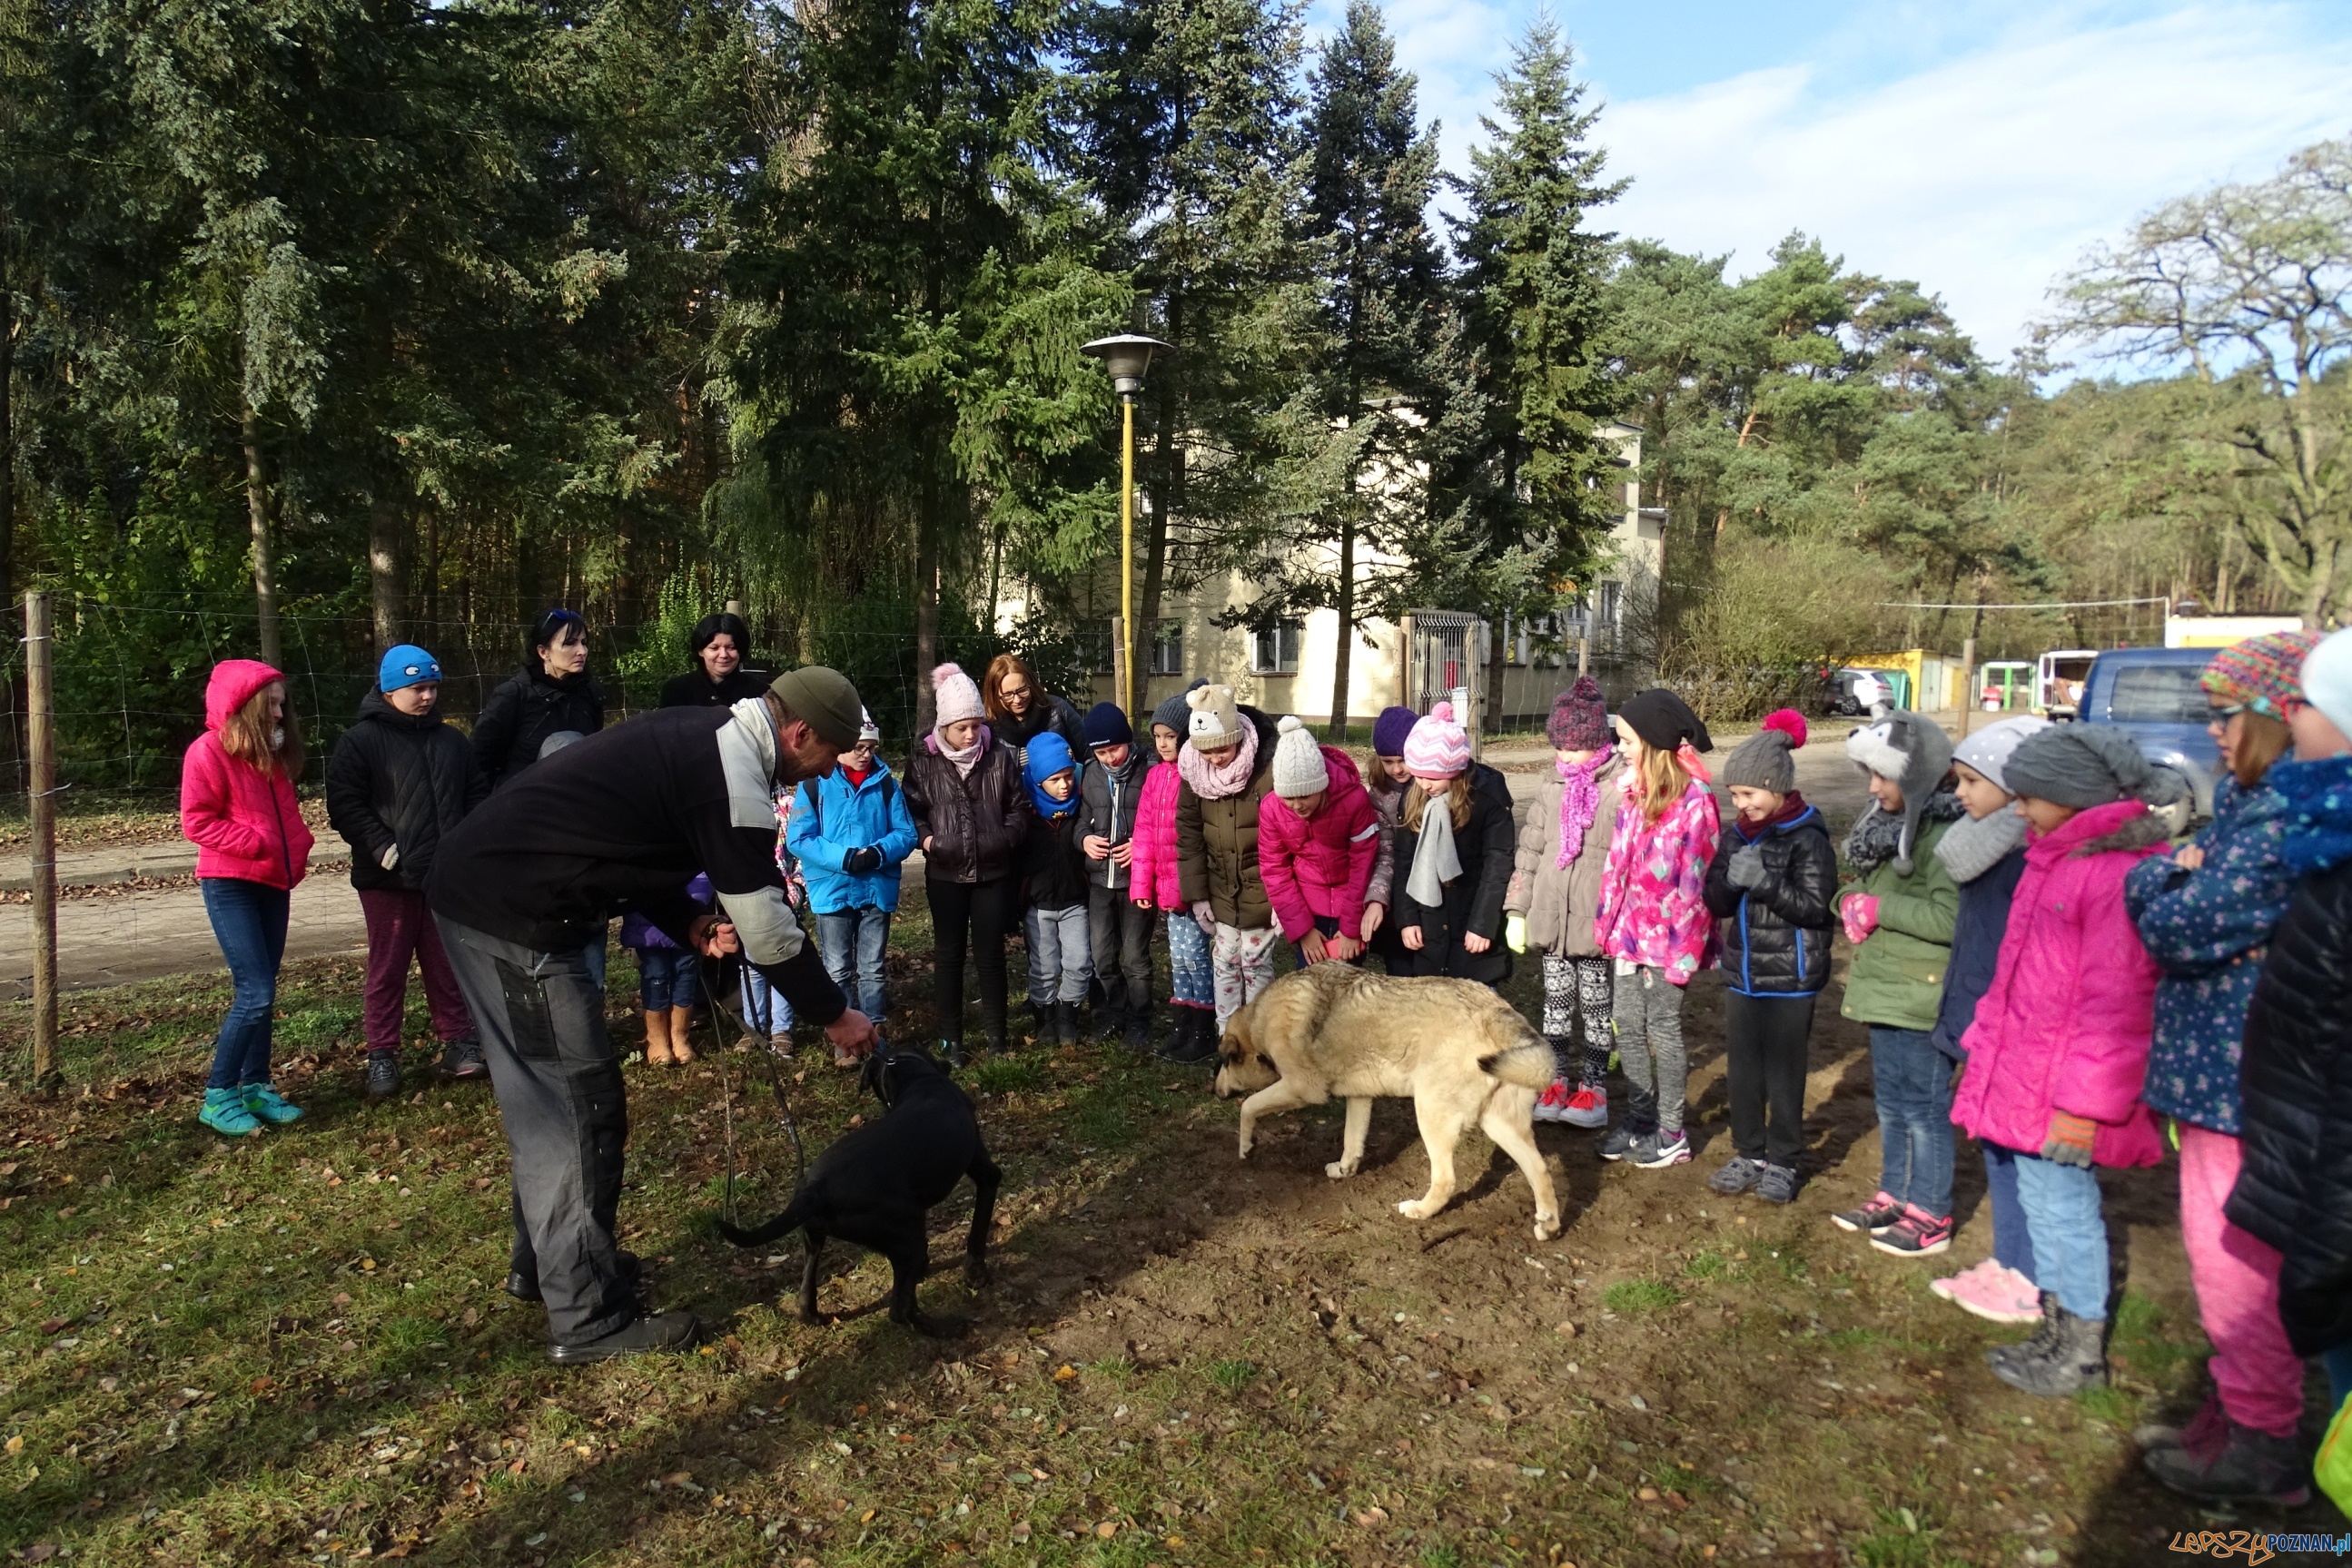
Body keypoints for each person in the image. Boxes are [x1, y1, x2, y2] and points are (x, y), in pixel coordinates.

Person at [426, 666, 878, 1364]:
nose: (819, 777)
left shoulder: (708, 736)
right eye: (827, 757)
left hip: (493, 892)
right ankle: (588, 1317)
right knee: (575, 1105)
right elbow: (767, 929)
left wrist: (689, 922)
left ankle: (547, 1268)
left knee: (560, 1098)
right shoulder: (734, 770)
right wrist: (836, 1015)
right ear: (802, 733)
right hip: (509, 914)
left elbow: (639, 845)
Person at [2122, 632, 2320, 1503]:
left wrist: (2156, 881)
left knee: (2237, 1259)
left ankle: (2263, 1440)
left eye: (2225, 715)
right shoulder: (2254, 806)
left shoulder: (2279, 815)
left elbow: (2183, 922)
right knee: (2228, 1256)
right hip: (2219, 1068)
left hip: (2240, 1076)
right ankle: (2243, 1410)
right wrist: (2176, 872)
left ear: (2277, 717)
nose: (2214, 735)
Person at [1951, 724, 2180, 1397]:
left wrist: (2085, 1108)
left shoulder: (2112, 876)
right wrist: (1983, 1049)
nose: (2018, 808)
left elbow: (2118, 1006)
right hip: (2027, 1075)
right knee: (2046, 1206)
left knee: (2066, 1210)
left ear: (2071, 796)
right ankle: (2053, 1326)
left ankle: (2081, 1347)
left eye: (2030, 797)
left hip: (2064, 1094)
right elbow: (2015, 976)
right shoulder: (2054, 859)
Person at [2219, 629, 2352, 1499]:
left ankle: (2267, 1433)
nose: (2292, 715)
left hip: (2326, 1182)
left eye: (2308, 702)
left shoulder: (2313, 848)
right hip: (2307, 1158)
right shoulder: (2319, 839)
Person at [1923, 715, 2051, 1325]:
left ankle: (2030, 1275)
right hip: (1977, 1007)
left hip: (2010, 1021)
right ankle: (2008, 1260)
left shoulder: (2024, 856)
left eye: (1972, 781)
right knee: (1996, 1145)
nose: (1960, 794)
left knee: (2023, 1151)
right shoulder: (1980, 846)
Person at [325, 643, 489, 1103]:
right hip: (388, 880)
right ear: (391, 689)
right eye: (418, 687)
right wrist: (381, 848)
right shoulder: (360, 741)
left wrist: (466, 848)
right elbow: (345, 802)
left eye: (434, 687)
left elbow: (474, 796)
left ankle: (458, 1043)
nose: (428, 697)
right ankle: (382, 1055)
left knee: (446, 964)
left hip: (442, 878)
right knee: (388, 968)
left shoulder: (452, 742)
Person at [1830, 711, 1963, 1256]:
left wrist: (1880, 907)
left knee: (1926, 1107)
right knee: (1891, 1101)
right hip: (1886, 990)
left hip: (1922, 995)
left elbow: (1950, 919)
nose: (1872, 787)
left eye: (1882, 776)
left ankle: (1931, 1212)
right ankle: (1895, 1192)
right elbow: (1857, 888)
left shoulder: (1945, 838)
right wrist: (1849, 903)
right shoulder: (1885, 829)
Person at [1701, 710, 1835, 1203]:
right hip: (1745, 974)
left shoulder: (1808, 837)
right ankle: (1748, 1152)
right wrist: (1730, 881)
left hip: (1791, 979)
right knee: (1743, 1070)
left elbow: (1815, 909)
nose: (1741, 805)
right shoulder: (1738, 834)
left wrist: (1765, 882)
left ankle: (1783, 1160)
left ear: (1776, 787)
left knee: (1783, 1074)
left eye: (1749, 795)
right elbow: (1714, 902)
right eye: (1734, 796)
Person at [182, 660, 316, 1137]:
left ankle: (255, 1086)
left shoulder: (271, 758)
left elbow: (284, 818)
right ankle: (218, 1096)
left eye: (283, 704)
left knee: (267, 989)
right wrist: (257, 844)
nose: (280, 714)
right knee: (254, 991)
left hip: (271, 884)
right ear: (246, 705)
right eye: (272, 704)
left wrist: (296, 847)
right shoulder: (207, 753)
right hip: (231, 883)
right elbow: (196, 822)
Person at [1591, 688, 1720, 1169]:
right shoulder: (1632, 793)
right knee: (1627, 1025)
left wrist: (1686, 952)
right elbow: (1616, 867)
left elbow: (1695, 885)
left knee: (1662, 1027)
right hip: (1629, 936)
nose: (1619, 747)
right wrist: (1607, 925)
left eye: (1626, 739)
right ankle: (1641, 1119)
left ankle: (1671, 1131)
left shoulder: (1695, 802)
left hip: (1670, 945)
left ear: (1652, 741)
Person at [1507, 677, 1625, 1130]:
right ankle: (1555, 1081)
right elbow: (1532, 847)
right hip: (1551, 917)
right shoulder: (1552, 781)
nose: (1564, 757)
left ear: (1596, 743)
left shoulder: (1618, 786)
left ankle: (1593, 1086)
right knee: (1554, 1004)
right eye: (1558, 748)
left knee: (1596, 1008)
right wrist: (1517, 908)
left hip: (1596, 923)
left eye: (1571, 749)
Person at [902, 663, 1028, 1063]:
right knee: (949, 953)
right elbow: (912, 809)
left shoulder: (999, 757)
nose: (971, 734)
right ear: (944, 726)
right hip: (945, 872)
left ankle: (996, 1035)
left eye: (976, 725)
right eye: (962, 727)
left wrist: (1004, 840)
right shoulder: (924, 760)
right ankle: (950, 1039)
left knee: (991, 953)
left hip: (993, 872)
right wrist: (928, 839)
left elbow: (1019, 809)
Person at [786, 706, 916, 1035]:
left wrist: (877, 853)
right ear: (840, 746)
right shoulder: (814, 784)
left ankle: (873, 1032)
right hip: (833, 889)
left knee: (872, 967)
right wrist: (843, 858)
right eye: (858, 747)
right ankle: (844, 1035)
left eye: (872, 748)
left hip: (875, 886)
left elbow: (906, 833)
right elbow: (799, 838)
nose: (865, 755)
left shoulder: (886, 783)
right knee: (837, 967)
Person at [1176, 685, 1281, 1040]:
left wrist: (1284, 899)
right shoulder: (1192, 773)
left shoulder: (1265, 769)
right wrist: (1198, 894)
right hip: (1220, 888)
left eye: (1223, 748)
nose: (1216, 758)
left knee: (1255, 965)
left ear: (1238, 737)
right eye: (1207, 752)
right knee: (1224, 963)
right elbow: (1188, 835)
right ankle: (1228, 1041)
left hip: (1262, 887)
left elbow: (1287, 834)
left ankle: (1258, 1041)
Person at [1390, 702, 1516, 984]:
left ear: (1455, 769)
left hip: (1471, 925)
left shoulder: (1488, 798)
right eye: (1418, 775)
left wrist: (1483, 926)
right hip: (1429, 925)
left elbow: (1497, 866)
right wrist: (1407, 919)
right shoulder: (1415, 797)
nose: (1424, 784)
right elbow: (1404, 861)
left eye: (1433, 777)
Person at [1130, 682, 1217, 1063]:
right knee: (1178, 957)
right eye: (1158, 737)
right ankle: (1182, 1024)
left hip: (1192, 888)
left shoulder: (1195, 776)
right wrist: (1142, 883)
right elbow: (1144, 834)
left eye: (1171, 736)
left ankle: (1204, 1027)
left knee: (1198, 956)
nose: (1163, 744)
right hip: (1166, 888)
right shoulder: (1155, 777)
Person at [1260, 715, 1379, 969]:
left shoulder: (1354, 800)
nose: (1297, 805)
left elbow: (1363, 864)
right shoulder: (1272, 809)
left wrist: (1350, 927)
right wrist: (1302, 930)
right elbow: (1274, 870)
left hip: (1350, 900)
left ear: (1321, 785)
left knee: (1347, 985)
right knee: (1311, 985)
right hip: (1307, 908)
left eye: (1305, 795)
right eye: (1289, 798)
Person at [1079, 701, 1157, 1050]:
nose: (1110, 758)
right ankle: (1115, 1010)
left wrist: (1140, 845)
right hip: (1099, 883)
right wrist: (1084, 840)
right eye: (1102, 753)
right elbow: (1081, 820)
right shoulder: (1091, 775)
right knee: (1101, 955)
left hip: (1136, 881)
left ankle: (1141, 1018)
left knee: (1135, 956)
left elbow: (1161, 823)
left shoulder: (1149, 771)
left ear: (1128, 741)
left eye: (1115, 749)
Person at [473, 608, 604, 789]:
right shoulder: (513, 696)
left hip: (579, 803)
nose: (582, 651)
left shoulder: (589, 694)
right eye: (570, 643)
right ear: (544, 652)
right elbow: (479, 763)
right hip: (520, 803)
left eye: (584, 642)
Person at [1019, 731, 1093, 1043]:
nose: (1064, 785)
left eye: (1067, 776)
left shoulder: (1081, 808)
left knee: (1079, 963)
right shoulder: (1025, 814)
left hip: (1075, 902)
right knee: (1044, 966)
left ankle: (1068, 1014)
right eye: (1055, 780)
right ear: (1037, 781)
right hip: (1039, 907)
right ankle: (1045, 1016)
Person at [620, 875, 708, 1067]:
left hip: (687, 917)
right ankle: (657, 1039)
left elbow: (702, 871)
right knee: (655, 975)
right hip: (648, 920)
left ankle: (679, 1037)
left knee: (685, 973)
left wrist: (696, 900)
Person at [1359, 705, 1418, 973]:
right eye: (1388, 761)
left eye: (1403, 759)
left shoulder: (1433, 784)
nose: (1397, 769)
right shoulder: (1379, 796)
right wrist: (1376, 900)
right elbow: (1385, 854)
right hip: (1397, 893)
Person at [983, 653, 1086, 766]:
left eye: (1022, 690)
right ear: (994, 695)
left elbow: (1088, 757)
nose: (1017, 700)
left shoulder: (1057, 709)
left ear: (1031, 684)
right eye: (1007, 695)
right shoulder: (986, 726)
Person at [658, 611, 769, 709]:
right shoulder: (676, 690)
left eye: (731, 648)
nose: (723, 655)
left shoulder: (760, 693)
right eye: (714, 648)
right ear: (700, 651)